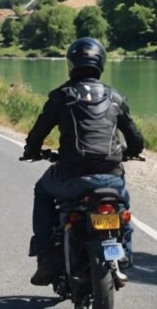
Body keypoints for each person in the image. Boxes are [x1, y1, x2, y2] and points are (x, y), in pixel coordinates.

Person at [22, 37, 144, 286]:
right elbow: (136, 138)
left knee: (42, 191)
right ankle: (122, 258)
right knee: (121, 209)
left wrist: (33, 150)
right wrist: (130, 151)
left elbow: (38, 132)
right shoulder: (115, 97)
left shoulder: (61, 96)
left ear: (71, 64)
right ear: (101, 62)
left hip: (72, 175)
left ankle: (47, 257)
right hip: (111, 175)